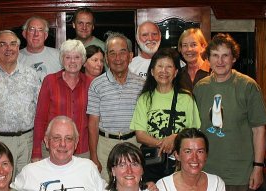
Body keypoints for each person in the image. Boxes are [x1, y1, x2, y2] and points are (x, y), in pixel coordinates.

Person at [193, 33, 266, 191]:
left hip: (239, 174)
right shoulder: (201, 88)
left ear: (233, 58)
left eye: (225, 56)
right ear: (208, 58)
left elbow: (259, 129)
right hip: (207, 174)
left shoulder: (247, 86)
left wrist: (258, 166)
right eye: (215, 56)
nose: (220, 61)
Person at [130, 48, 200, 183]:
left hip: (181, 163)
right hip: (152, 164)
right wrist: (164, 143)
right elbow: (140, 135)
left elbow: (194, 132)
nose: (164, 71)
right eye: (160, 66)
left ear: (176, 72)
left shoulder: (186, 98)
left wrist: (176, 138)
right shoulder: (145, 99)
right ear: (152, 71)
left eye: (169, 67)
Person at [87, 32, 144, 182]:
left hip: (133, 143)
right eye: (112, 53)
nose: (117, 58)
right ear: (106, 58)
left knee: (132, 186)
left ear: (130, 56)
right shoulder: (96, 84)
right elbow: (92, 122)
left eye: (122, 52)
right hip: (105, 146)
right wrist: (93, 155)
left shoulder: (141, 84)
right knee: (106, 189)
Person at [0, 30, 40, 178]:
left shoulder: (31, 75)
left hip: (27, 140)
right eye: (3, 44)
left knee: (24, 187)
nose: (9, 48)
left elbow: (40, 109)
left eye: (13, 44)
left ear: (18, 49)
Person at [31, 39, 92, 162]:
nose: (72, 61)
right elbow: (40, 118)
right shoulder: (50, 81)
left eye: (77, 57)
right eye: (68, 57)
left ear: (83, 60)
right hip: (52, 149)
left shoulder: (90, 84)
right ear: (62, 59)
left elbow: (93, 121)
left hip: (82, 149)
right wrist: (36, 151)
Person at [19, 16, 62, 82]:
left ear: (46, 35)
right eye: (32, 29)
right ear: (24, 34)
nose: (36, 34)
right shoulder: (15, 57)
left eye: (40, 30)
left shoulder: (59, 56)